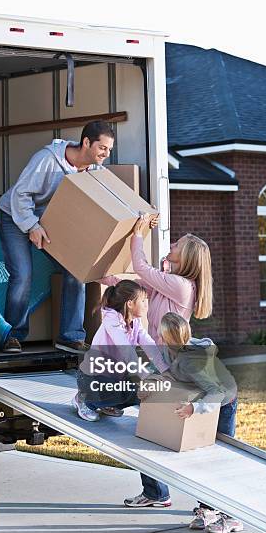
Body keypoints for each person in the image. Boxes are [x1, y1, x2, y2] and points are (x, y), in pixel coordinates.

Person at [100, 215, 213, 508]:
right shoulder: (168, 283)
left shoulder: (182, 286)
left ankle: (156, 491)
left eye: (176, 244)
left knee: (149, 423)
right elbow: (137, 284)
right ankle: (155, 493)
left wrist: (136, 235)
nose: (171, 244)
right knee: (148, 424)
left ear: (185, 257)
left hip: (166, 365)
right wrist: (103, 277)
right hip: (155, 359)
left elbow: (140, 267)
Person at [0, 121, 115, 353]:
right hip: (14, 215)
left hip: (48, 222)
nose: (106, 154)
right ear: (86, 142)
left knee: (76, 271)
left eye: (109, 149)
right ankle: (13, 335)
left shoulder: (95, 171)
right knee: (23, 275)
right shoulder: (47, 160)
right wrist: (31, 225)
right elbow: (20, 194)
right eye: (103, 148)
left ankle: (70, 336)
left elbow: (113, 199)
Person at [156, 313, 243, 533]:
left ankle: (233, 516)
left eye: (160, 332)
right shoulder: (177, 349)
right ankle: (207, 509)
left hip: (223, 403)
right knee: (203, 459)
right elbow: (175, 372)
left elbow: (217, 392)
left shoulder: (191, 360)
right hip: (207, 398)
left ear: (168, 337)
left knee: (218, 461)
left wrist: (194, 408)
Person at [72, 280, 169, 422]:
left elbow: (149, 345)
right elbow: (128, 353)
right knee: (132, 391)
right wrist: (147, 378)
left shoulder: (135, 322)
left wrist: (166, 371)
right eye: (143, 300)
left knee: (139, 394)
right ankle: (84, 400)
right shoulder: (112, 322)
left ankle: (106, 403)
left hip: (112, 378)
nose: (146, 304)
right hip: (91, 378)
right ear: (130, 304)